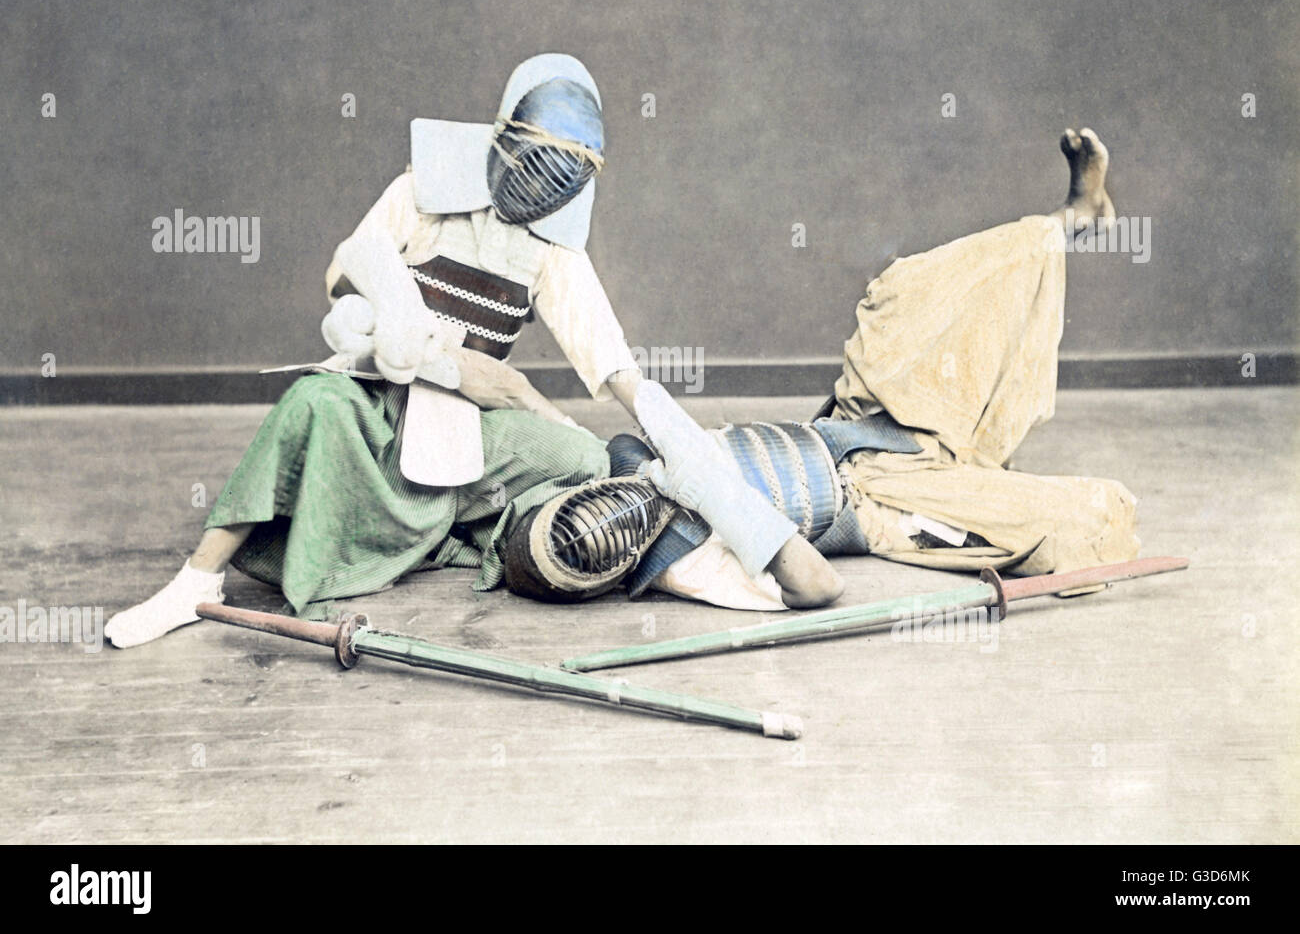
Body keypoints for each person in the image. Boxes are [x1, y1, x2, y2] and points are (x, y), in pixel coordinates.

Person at [104, 54, 840, 648]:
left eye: (563, 172)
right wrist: (419, 337)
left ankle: (441, 530)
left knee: (581, 459)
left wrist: (680, 446)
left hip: (464, 420)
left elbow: (612, 361)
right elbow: (343, 275)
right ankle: (196, 580)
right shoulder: (421, 192)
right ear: (503, 138)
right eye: (535, 160)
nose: (542, 183)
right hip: (376, 396)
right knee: (309, 401)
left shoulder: (552, 248)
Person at [504, 127, 1141, 610]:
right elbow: (818, 585)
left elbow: (516, 402)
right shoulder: (683, 566)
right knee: (1086, 523)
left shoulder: (614, 459)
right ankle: (980, 482)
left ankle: (1073, 220)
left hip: (849, 428)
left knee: (908, 290)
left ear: (579, 496)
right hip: (878, 502)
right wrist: (709, 494)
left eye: (584, 517)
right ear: (607, 582)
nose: (612, 523)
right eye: (596, 556)